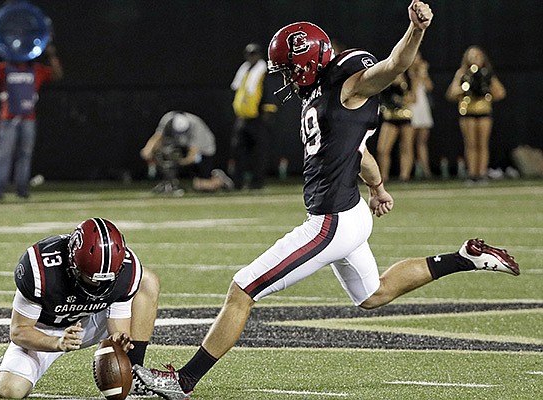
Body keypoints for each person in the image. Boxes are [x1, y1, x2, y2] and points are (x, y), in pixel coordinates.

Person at [133, 2, 519, 399]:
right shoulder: (318, 90)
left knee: (242, 288)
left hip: (331, 221)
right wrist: (378, 186)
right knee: (374, 295)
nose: (285, 77)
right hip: (349, 212)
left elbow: (392, 66)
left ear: (306, 61)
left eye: (288, 68)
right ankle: (465, 257)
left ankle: (183, 381)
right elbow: (356, 152)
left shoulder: (348, 83)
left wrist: (415, 30)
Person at [0, 218, 160, 398]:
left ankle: (134, 374)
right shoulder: (41, 268)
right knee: (9, 391)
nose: (98, 287)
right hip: (43, 329)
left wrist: (119, 339)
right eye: (91, 279)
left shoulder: (127, 268)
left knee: (147, 281)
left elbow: (117, 329)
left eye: (106, 280)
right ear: (73, 264)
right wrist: (57, 343)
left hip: (89, 320)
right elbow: (18, 331)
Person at [0, 29, 63, 200]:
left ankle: (22, 191)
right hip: (8, 118)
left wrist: (51, 54)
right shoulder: (5, 69)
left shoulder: (36, 70)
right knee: (4, 156)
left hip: (29, 118)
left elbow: (57, 74)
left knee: (25, 156)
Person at [446, 46, 506, 184]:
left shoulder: (487, 73)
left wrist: (486, 89)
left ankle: (482, 173)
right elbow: (451, 93)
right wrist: (465, 88)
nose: (475, 59)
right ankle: (472, 174)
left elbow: (501, 93)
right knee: (471, 144)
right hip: (468, 112)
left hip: (483, 112)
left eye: (478, 56)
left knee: (482, 144)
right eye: (472, 56)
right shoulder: (462, 73)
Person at [140, 111, 233, 195]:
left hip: (204, 150)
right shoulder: (168, 118)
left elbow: (192, 156)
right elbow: (157, 137)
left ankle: (220, 179)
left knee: (199, 185)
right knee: (165, 151)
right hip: (182, 146)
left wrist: (176, 162)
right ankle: (168, 183)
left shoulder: (197, 128)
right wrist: (148, 150)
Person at [229, 43, 279, 190]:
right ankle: (237, 182)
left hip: (258, 118)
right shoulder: (244, 70)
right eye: (249, 54)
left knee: (259, 152)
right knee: (239, 152)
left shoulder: (264, 71)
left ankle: (257, 182)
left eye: (254, 54)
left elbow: (269, 92)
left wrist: (268, 112)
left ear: (259, 55)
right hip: (243, 117)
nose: (251, 57)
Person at [376, 72, 416, 182]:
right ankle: (383, 177)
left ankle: (404, 177)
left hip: (405, 116)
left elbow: (413, 98)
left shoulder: (409, 77)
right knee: (383, 149)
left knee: (406, 148)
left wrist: (403, 88)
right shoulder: (386, 77)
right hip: (390, 117)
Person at [408, 51, 434, 179]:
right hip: (411, 108)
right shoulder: (407, 73)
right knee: (408, 142)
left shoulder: (422, 73)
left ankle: (426, 170)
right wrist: (418, 76)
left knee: (422, 142)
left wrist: (423, 74)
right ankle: (410, 171)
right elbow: (413, 93)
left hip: (423, 107)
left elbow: (429, 87)